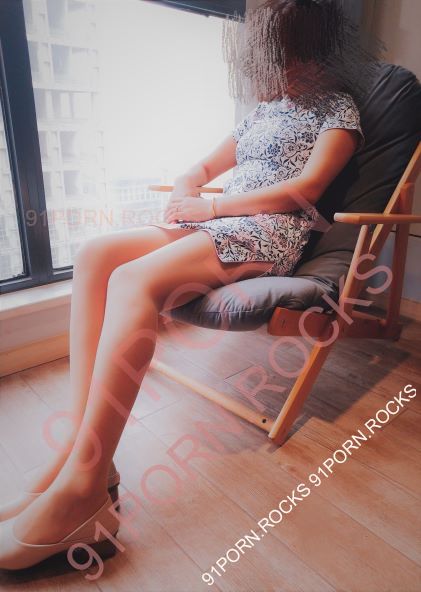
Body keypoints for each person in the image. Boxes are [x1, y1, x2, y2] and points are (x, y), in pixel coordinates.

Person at [0, 0, 365, 571]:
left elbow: (308, 189)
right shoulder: (261, 113)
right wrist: (183, 193)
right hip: (214, 223)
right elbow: (196, 170)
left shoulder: (338, 110)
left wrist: (211, 206)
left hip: (267, 231)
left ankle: (84, 490)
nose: (279, 69)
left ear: (317, 52)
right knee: (95, 254)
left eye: (289, 56)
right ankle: (81, 449)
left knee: (132, 280)